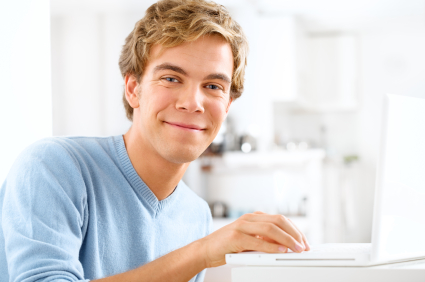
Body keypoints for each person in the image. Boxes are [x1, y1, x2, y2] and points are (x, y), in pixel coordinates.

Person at [0, 0, 310, 281]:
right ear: (133, 89)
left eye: (213, 86)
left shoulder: (196, 214)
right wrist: (200, 253)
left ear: (228, 104)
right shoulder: (52, 166)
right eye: (172, 78)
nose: (193, 102)